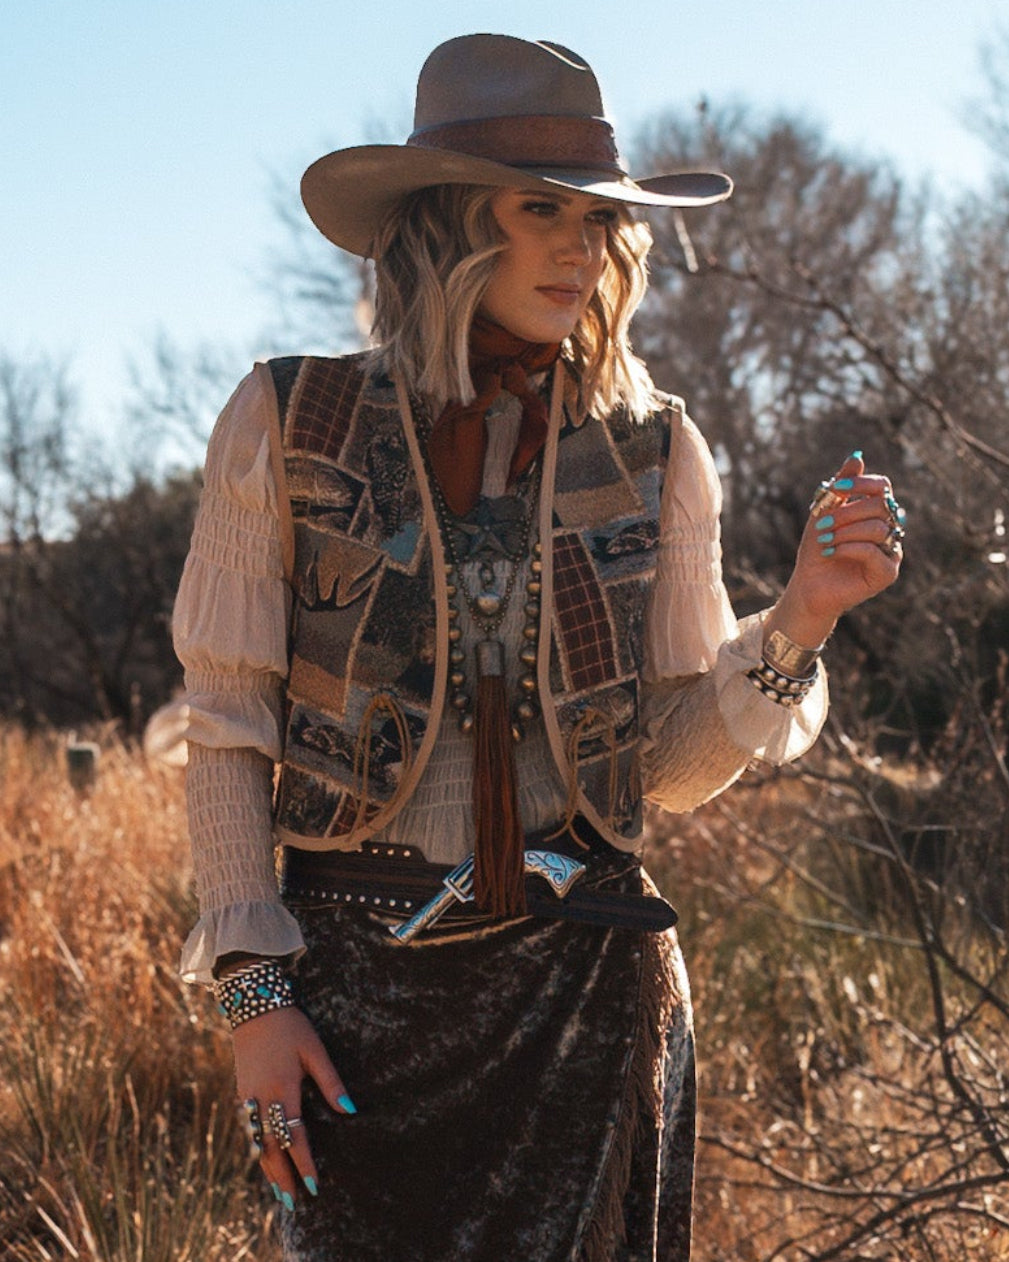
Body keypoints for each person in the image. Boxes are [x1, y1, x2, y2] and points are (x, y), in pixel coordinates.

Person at [172, 34, 904, 1262]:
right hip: (357, 1000)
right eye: (540, 210)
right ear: (450, 222)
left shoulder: (656, 448)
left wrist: (801, 618)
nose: (582, 247)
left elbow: (663, 771)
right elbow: (227, 719)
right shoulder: (288, 420)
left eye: (599, 218)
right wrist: (254, 995)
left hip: (590, 995)